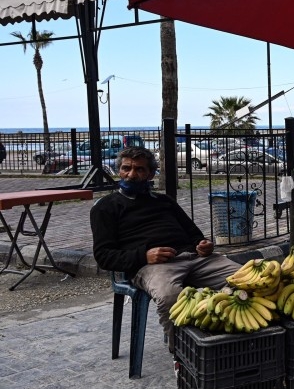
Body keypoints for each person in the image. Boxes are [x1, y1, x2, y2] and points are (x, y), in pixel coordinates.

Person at [90, 146, 241, 354]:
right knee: (170, 296)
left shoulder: (164, 201)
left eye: (140, 170)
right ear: (119, 171)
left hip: (194, 258)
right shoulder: (106, 207)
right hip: (151, 266)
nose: (132, 174)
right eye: (126, 168)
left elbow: (194, 233)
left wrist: (203, 244)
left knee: (245, 280)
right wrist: (144, 255)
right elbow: (103, 256)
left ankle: (237, 338)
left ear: (151, 174)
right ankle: (183, 354)